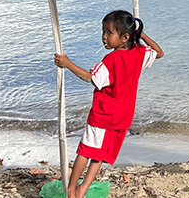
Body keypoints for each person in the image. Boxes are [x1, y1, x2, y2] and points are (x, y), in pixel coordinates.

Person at [54, 10, 163, 198]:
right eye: (103, 31)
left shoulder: (111, 59)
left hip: (103, 115)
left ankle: (71, 190)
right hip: (123, 117)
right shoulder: (139, 52)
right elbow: (159, 52)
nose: (104, 37)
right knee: (100, 153)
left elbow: (90, 78)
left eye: (109, 33)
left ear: (124, 37)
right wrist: (141, 35)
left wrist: (67, 63)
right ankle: (82, 189)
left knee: (86, 151)